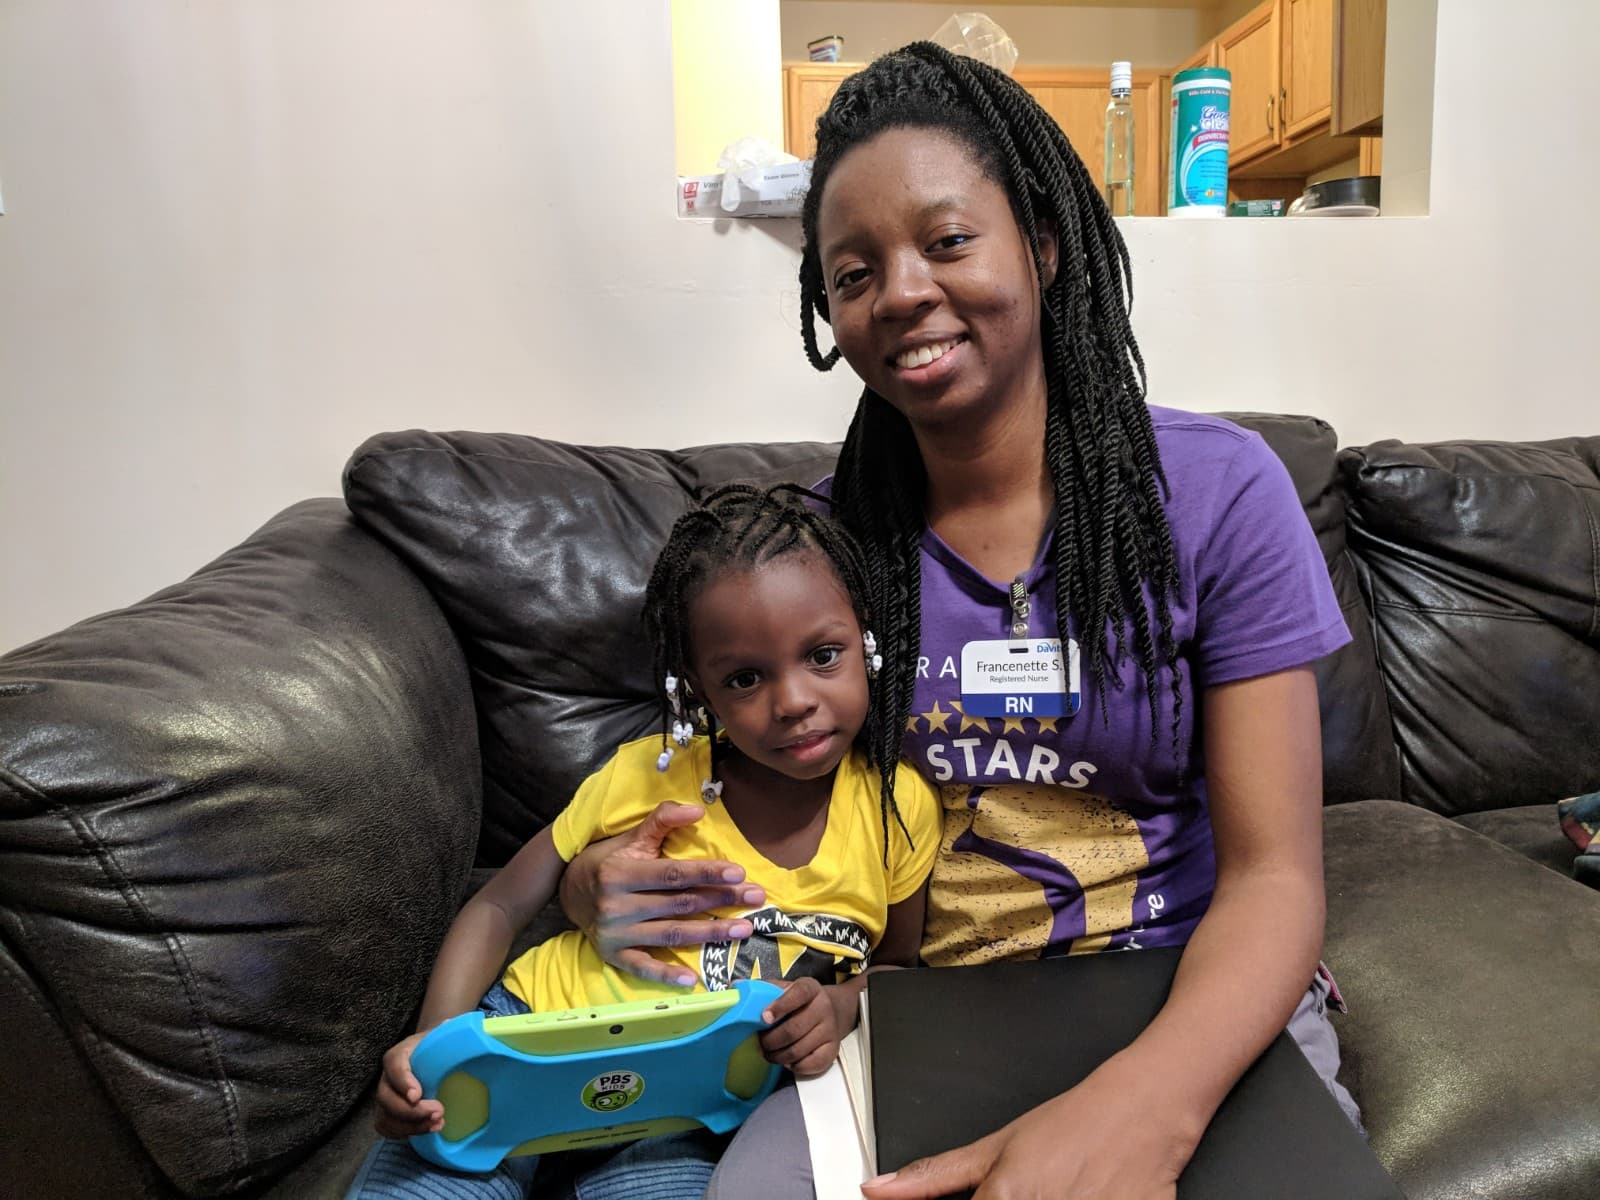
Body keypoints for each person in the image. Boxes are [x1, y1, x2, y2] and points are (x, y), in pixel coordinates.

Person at [559, 42, 1361, 1200]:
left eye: (945, 241)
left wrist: (1144, 1112)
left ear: (1039, 243)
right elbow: (733, 802)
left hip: (1184, 985)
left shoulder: (1218, 491)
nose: (900, 293)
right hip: (922, 1008)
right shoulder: (816, 561)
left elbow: (1277, 879)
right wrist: (595, 889)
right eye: (851, 271)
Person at [345, 484, 940, 1200]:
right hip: (526, 1047)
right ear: (699, 691)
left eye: (823, 655)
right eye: (745, 678)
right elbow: (500, 906)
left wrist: (843, 1007)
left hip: (684, 1111)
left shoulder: (898, 806)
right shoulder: (646, 775)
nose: (793, 701)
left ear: (865, 637)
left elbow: (903, 966)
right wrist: (434, 1048)